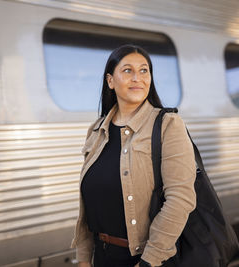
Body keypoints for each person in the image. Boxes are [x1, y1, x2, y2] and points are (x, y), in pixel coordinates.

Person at [71, 44, 196, 267]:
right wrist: (83, 258)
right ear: (110, 81)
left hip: (147, 259)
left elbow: (180, 199)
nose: (137, 77)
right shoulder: (97, 130)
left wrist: (149, 261)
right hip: (101, 258)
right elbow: (89, 203)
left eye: (144, 70)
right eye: (127, 70)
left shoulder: (168, 125)